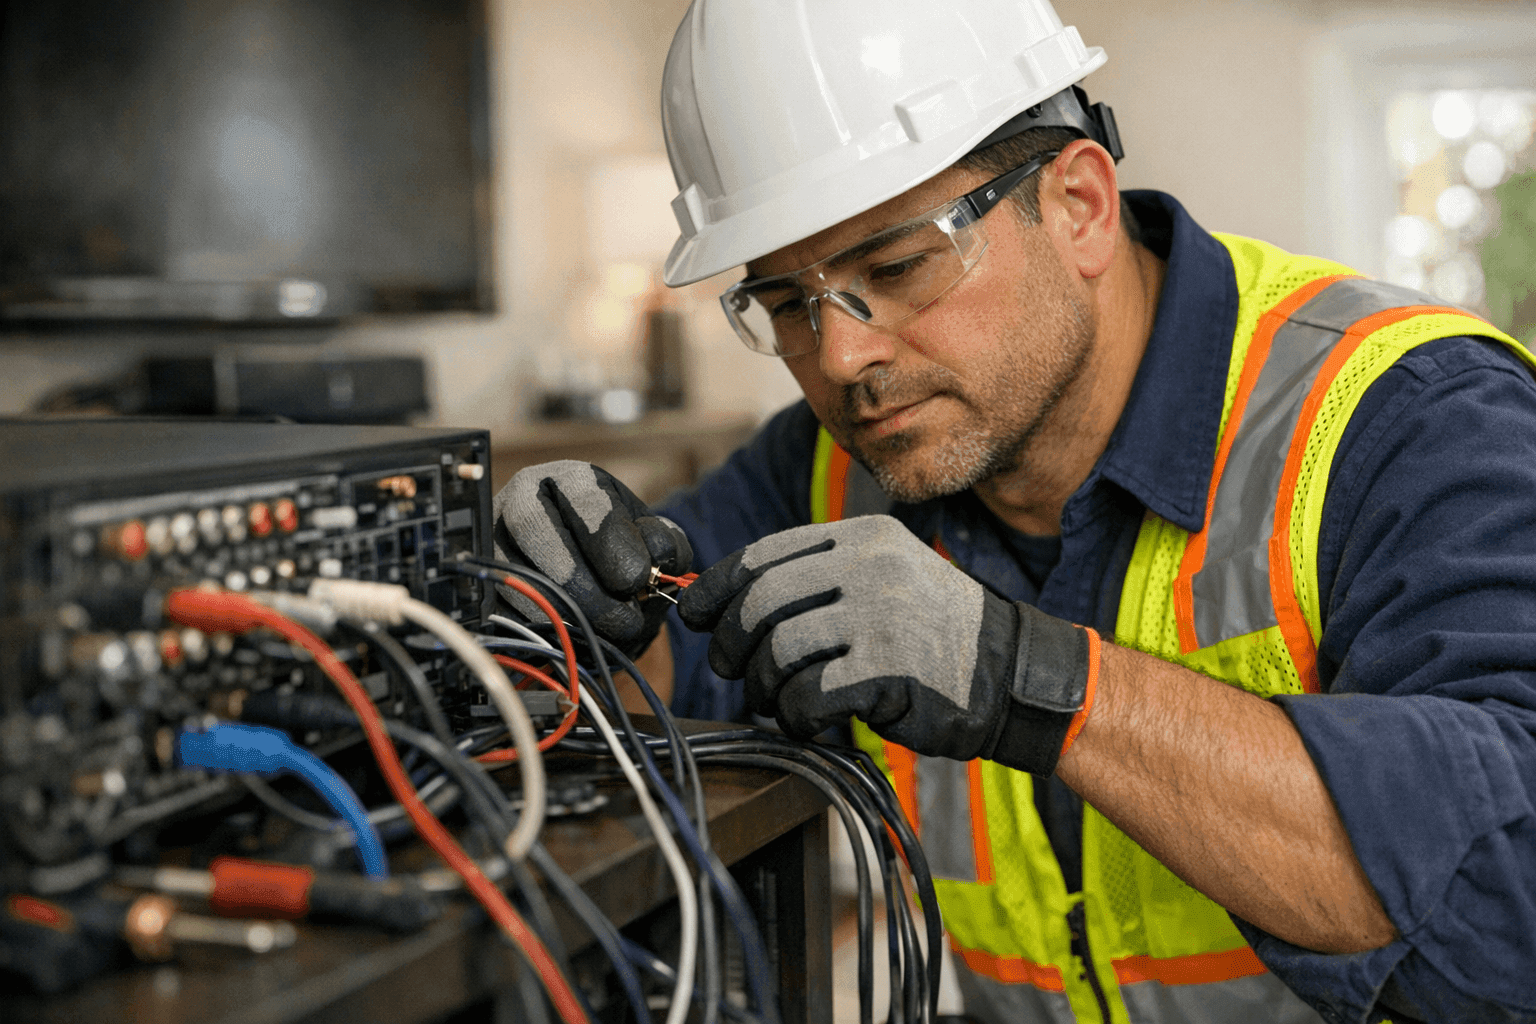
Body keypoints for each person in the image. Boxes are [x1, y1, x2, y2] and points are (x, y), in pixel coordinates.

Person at [494, 1, 1536, 1021]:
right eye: (784, 303)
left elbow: (1511, 912)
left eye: (896, 267)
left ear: (1078, 204)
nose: (841, 356)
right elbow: (666, 670)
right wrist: (575, 612)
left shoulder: (1410, 419)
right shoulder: (831, 470)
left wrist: (1037, 684)